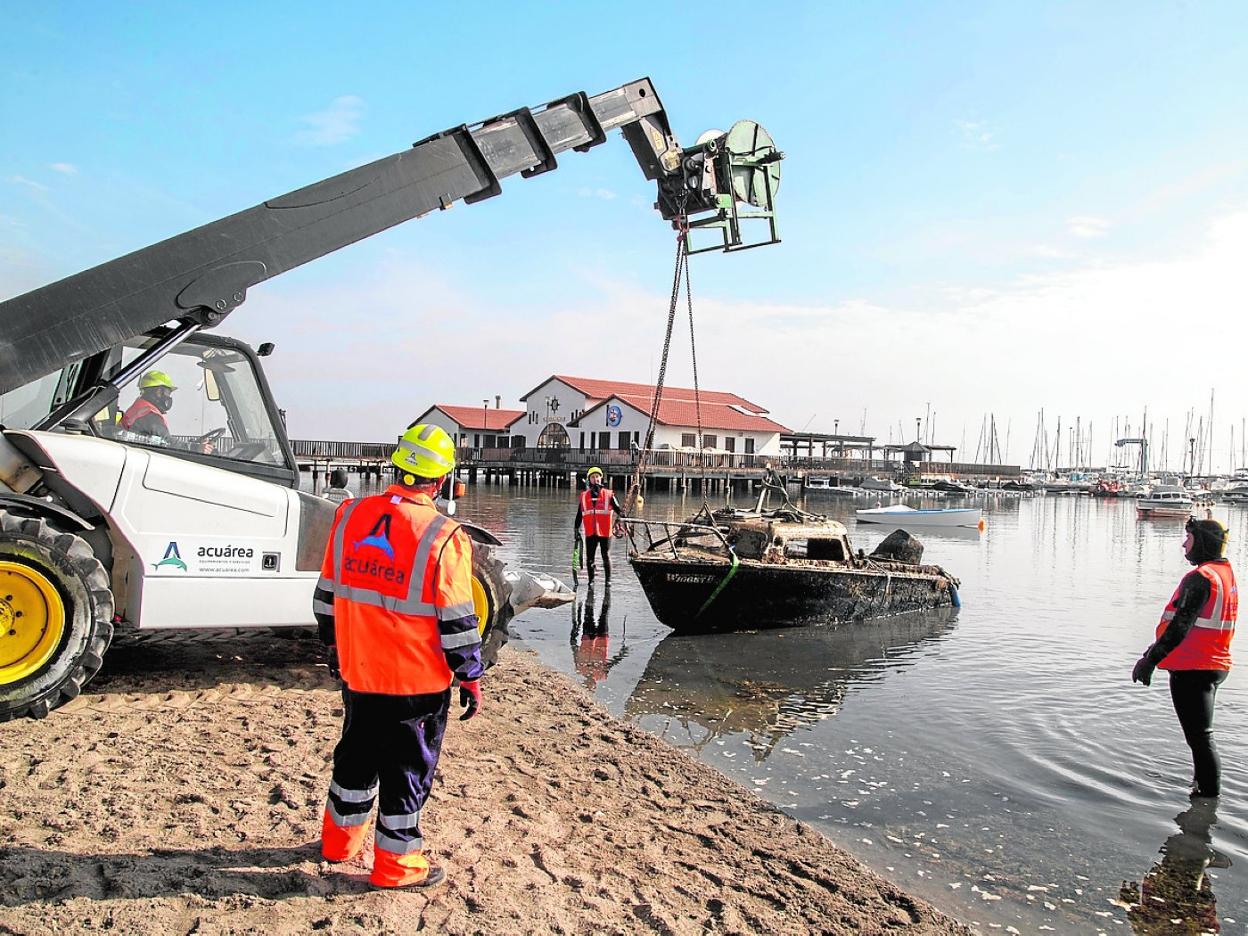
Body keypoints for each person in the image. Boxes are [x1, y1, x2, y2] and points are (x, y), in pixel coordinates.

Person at [313, 423, 483, 889]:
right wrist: (470, 676)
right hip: (416, 684)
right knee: (407, 772)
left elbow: (326, 598)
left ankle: (338, 843)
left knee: (355, 757)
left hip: (359, 672)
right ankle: (396, 867)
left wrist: (335, 647)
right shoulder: (445, 537)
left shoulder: (348, 516)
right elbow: (456, 623)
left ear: (396, 466)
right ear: (443, 479)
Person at [1132, 516, 1237, 798]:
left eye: (1188, 539)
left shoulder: (1200, 578)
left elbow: (1181, 626)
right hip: (1213, 664)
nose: (1183, 545)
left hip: (1194, 666)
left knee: (1200, 738)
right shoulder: (1223, 573)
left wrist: (1149, 661)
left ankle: (1206, 801)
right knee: (1200, 737)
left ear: (1200, 542)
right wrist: (1152, 652)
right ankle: (1200, 793)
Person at [574, 466, 623, 583]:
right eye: (592, 477)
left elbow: (619, 511)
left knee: (605, 555)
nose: (595, 479)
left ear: (601, 478)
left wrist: (621, 518)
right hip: (590, 532)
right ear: (589, 479)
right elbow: (579, 515)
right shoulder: (584, 496)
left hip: (605, 532)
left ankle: (608, 581)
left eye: (597, 477)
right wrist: (576, 530)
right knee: (589, 558)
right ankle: (591, 581)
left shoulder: (609, 495)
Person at [119, 370, 178, 442]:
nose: (169, 397)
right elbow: (167, 442)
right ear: (159, 392)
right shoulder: (150, 416)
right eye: (168, 393)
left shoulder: (139, 407)